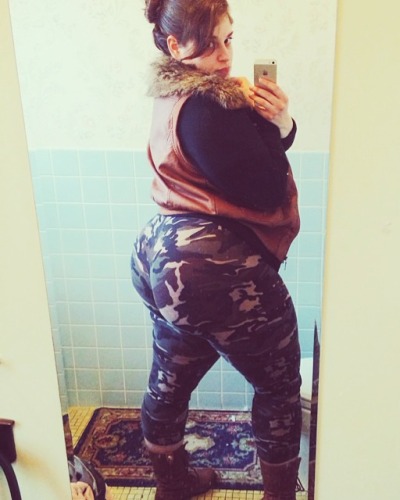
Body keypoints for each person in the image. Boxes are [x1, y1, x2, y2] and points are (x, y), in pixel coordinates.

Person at [131, 1, 302, 498]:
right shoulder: (210, 107)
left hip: (160, 255)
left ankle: (173, 484)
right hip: (212, 267)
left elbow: (234, 167)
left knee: (171, 375)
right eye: (208, 43)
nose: (224, 55)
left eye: (228, 39)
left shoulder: (173, 96)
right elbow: (266, 188)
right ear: (174, 44)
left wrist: (280, 124)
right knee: (278, 387)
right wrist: (277, 124)